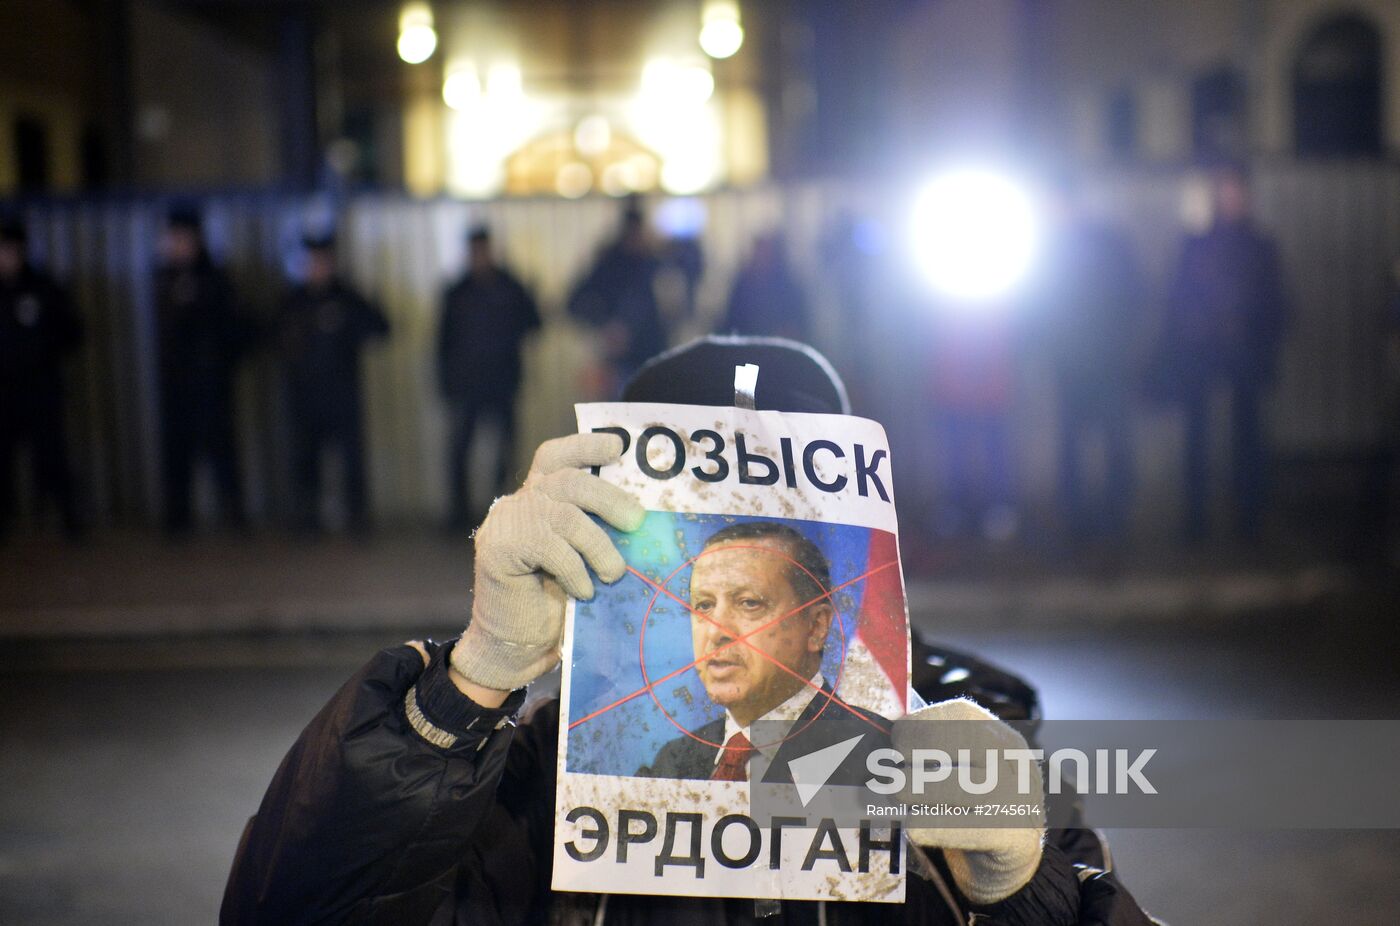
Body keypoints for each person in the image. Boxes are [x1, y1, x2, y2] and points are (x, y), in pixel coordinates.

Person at [223, 337, 1155, 925]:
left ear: (827, 603)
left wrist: (1022, 889)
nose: (718, 633)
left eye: (751, 601)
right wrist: (467, 686)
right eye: (702, 600)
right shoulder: (548, 771)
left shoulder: (976, 748)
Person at [636, 520, 891, 784]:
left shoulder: (881, 757)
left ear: (816, 627)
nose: (715, 633)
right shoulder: (673, 763)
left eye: (749, 603)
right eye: (703, 606)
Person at [1157, 164, 1289, 541]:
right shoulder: (1196, 245)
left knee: (1247, 439)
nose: (1230, 198)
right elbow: (1177, 302)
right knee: (1198, 437)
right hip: (1201, 354)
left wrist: (1262, 343)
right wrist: (1187, 338)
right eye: (1224, 191)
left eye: (1236, 191)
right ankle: (1195, 520)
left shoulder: (1260, 245)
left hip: (1245, 354)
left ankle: (1248, 520)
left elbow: (1276, 303)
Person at [1032, 176, 1144, 542]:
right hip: (1079, 362)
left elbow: (1131, 295)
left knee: (1102, 440)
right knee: (1082, 443)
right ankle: (1087, 518)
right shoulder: (1069, 246)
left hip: (1100, 361)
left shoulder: (1095, 244)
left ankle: (1105, 517)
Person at [278, 233, 390, 535]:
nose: (318, 268)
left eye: (323, 261)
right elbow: (273, 338)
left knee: (352, 462)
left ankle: (357, 519)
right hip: (304, 396)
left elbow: (380, 328)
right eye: (313, 262)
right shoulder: (294, 301)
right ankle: (307, 521)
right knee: (305, 461)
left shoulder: (347, 297)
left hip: (343, 395)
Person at [154, 206, 255, 535]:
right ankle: (178, 520)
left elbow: (237, 330)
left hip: (210, 383)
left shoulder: (215, 280)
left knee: (221, 451)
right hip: (175, 384)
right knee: (176, 453)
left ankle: (234, 516)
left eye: (182, 238)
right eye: (172, 238)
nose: (176, 245)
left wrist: (217, 364)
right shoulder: (164, 278)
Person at [437, 226, 541, 531]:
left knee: (505, 452)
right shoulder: (458, 292)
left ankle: (503, 512)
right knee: (460, 450)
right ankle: (459, 516)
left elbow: (534, 324)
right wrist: (445, 384)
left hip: (502, 382)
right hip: (468, 385)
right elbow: (443, 343)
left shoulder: (510, 287)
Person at [0, 216, 83, 539]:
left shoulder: (43, 288)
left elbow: (72, 332)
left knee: (52, 458)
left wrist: (42, 349)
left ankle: (69, 520)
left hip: (41, 390)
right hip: (4, 393)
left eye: (9, 250)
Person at [567, 200, 667, 389]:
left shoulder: (654, 261)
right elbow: (574, 303)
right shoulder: (610, 264)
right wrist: (605, 325)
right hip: (620, 363)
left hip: (654, 355)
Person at [722, 232, 811, 341]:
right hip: (747, 349)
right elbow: (730, 322)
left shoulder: (788, 288)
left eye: (766, 252)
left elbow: (797, 324)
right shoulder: (743, 285)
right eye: (759, 251)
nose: (761, 256)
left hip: (778, 350)